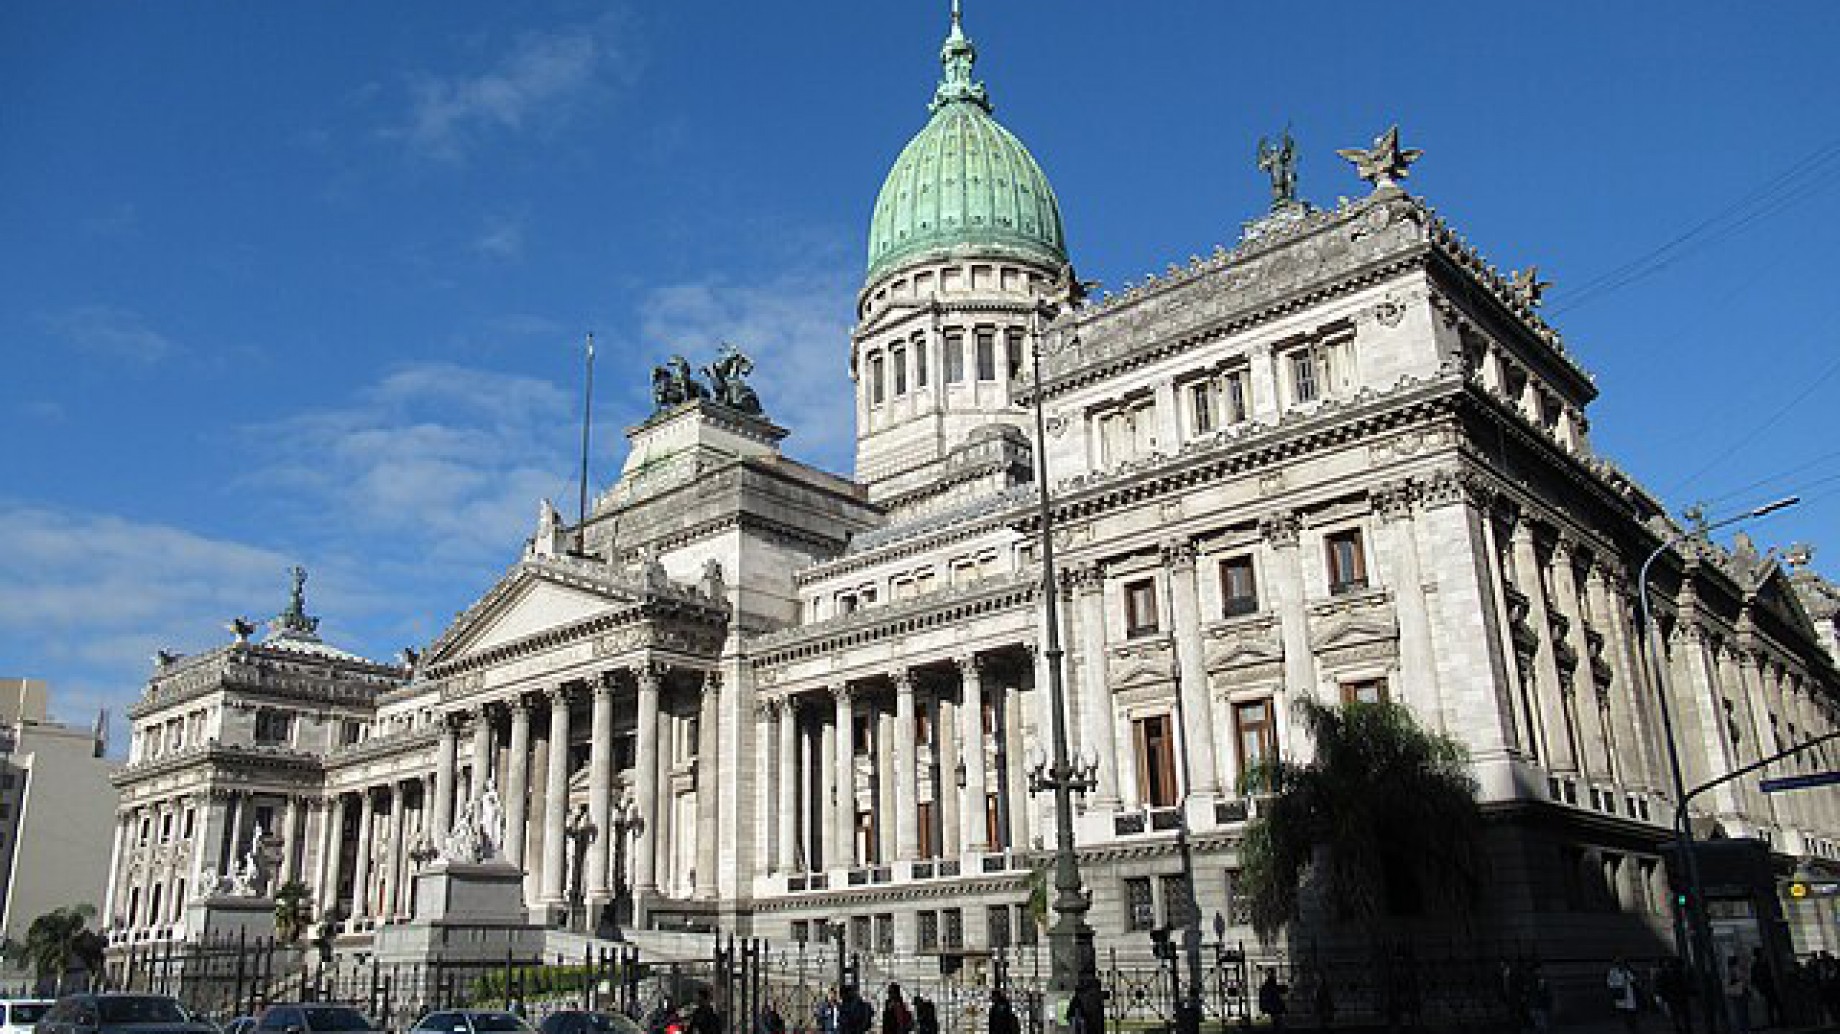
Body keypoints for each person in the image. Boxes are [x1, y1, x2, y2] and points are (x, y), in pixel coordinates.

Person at [1654, 957, 1692, 1034]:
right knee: (1683, 1013)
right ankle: (1685, 1028)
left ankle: (1679, 1027)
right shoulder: (1678, 973)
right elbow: (1684, 985)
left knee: (1676, 1014)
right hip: (1679, 996)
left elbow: (1661, 986)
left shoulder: (1664, 974)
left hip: (1672, 996)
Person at [1608, 958, 1641, 1034]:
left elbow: (1633, 979)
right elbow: (1610, 983)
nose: (1621, 965)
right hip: (1621, 994)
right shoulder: (1612, 972)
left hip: (1629, 994)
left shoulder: (1626, 970)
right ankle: (1629, 1027)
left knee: (1631, 1011)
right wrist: (1620, 983)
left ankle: (1634, 1027)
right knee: (1625, 1012)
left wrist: (1631, 973)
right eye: (1619, 963)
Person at [1749, 948, 1780, 1029]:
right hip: (1768, 987)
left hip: (1765, 988)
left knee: (1770, 1006)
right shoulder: (1765, 964)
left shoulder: (1755, 966)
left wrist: (1759, 988)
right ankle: (1777, 1021)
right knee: (1775, 1004)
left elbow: (1753, 980)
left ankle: (1772, 1022)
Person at [1723, 955, 1751, 1034]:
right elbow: (1743, 981)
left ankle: (1744, 1029)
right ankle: (1745, 1029)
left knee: (1741, 1013)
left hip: (1738, 994)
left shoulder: (1730, 972)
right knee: (1742, 1013)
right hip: (1739, 993)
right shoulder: (1734, 972)